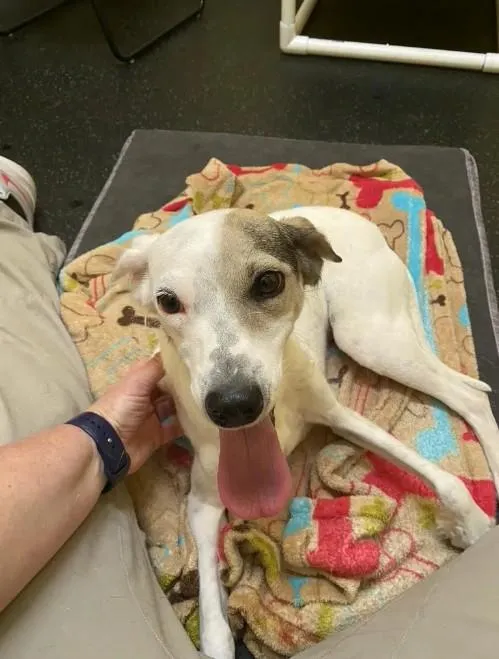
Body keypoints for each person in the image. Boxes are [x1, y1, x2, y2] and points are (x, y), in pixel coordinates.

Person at [1, 154, 499, 659]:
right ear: (146, 294)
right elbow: (204, 498)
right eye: (172, 304)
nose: (232, 392)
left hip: (347, 250)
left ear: (306, 271)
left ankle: (474, 409)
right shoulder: (152, 291)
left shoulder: (309, 253)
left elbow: (335, 415)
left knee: (366, 343)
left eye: (265, 285)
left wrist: (452, 491)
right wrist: (214, 632)